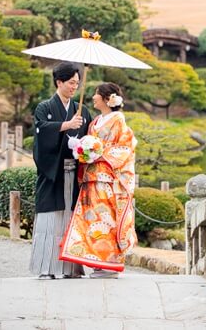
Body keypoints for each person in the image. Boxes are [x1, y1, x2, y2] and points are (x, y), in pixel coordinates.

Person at [59, 82, 137, 278]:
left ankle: (109, 264)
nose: (93, 97)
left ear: (107, 98)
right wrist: (80, 148)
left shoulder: (118, 120)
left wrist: (98, 152)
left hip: (107, 179)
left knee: (106, 220)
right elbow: (91, 146)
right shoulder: (95, 122)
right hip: (91, 177)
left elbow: (125, 148)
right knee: (92, 220)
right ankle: (97, 262)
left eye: (96, 94)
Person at [29, 61, 92, 279]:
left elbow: (91, 139)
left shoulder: (81, 110)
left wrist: (85, 148)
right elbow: (41, 131)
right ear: (59, 82)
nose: (75, 87)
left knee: (70, 219)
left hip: (75, 174)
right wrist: (66, 125)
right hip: (52, 173)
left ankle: (71, 268)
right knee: (50, 219)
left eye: (77, 83)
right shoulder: (44, 108)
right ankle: (46, 268)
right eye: (71, 82)